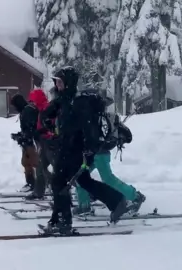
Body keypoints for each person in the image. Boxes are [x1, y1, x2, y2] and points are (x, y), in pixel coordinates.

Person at [41, 66, 133, 234]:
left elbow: (89, 129)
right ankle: (117, 200)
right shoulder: (63, 101)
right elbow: (46, 116)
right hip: (66, 149)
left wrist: (89, 151)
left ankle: (61, 221)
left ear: (69, 83)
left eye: (61, 82)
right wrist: (50, 123)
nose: (58, 85)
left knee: (59, 183)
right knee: (83, 182)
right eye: (57, 82)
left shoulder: (79, 103)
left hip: (75, 152)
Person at [24, 89, 58, 199]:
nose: (32, 103)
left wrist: (45, 132)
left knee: (59, 170)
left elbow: (53, 126)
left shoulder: (48, 108)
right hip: (43, 143)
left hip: (51, 144)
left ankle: (64, 193)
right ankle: (38, 192)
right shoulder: (40, 109)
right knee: (40, 168)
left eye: (33, 101)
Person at [10, 93, 40, 193]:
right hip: (27, 141)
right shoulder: (25, 110)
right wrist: (19, 135)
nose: (14, 108)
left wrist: (23, 137)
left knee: (36, 163)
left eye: (14, 105)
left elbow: (32, 128)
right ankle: (31, 183)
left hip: (32, 141)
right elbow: (27, 129)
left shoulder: (28, 110)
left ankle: (44, 183)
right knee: (26, 163)